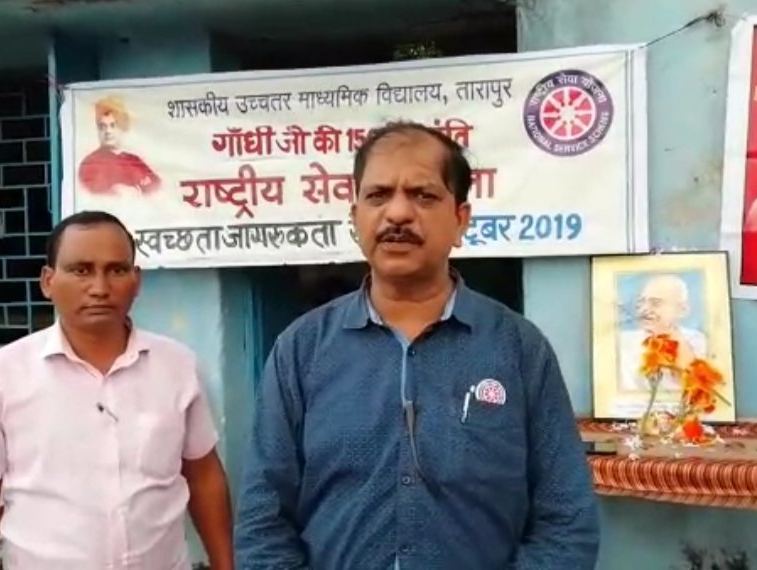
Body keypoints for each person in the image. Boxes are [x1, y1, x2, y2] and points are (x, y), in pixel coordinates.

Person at [236, 121, 600, 569]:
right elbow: (263, 522)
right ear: (355, 216)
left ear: (460, 219)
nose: (397, 214)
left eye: (423, 195)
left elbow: (566, 520)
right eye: (378, 195)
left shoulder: (519, 349)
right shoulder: (301, 350)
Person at [0, 210, 234, 570]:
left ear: (136, 280)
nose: (99, 288)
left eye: (116, 270)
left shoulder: (178, 366)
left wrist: (225, 563)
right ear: (48, 281)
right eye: (81, 270)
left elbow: (204, 477)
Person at [617, 273, 707, 392]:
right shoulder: (622, 342)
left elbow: (696, 387)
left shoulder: (697, 341)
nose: (644, 309)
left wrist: (672, 335)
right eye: (641, 302)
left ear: (682, 310)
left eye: (655, 303)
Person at [78, 97, 162, 195]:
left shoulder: (133, 159)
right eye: (102, 126)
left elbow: (156, 185)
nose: (108, 131)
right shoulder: (90, 164)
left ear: (123, 127)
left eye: (113, 125)